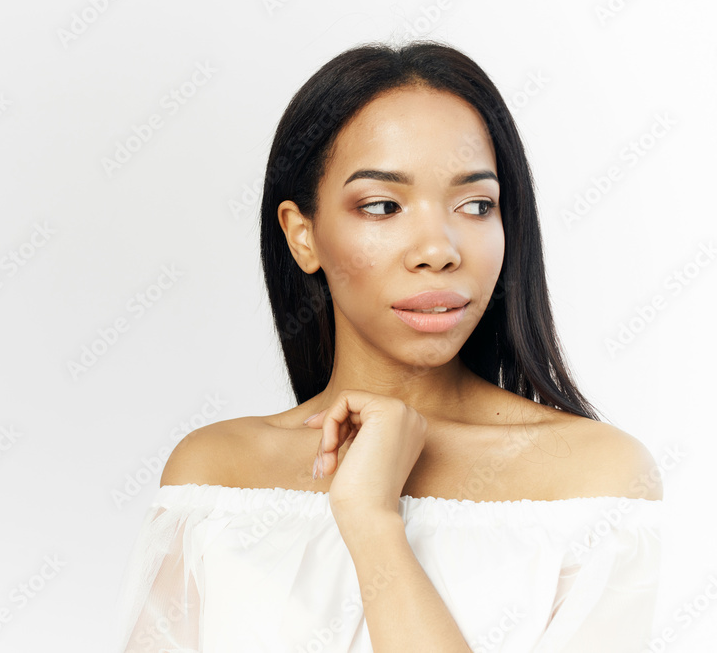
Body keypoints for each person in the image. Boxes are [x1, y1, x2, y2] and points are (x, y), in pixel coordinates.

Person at [113, 41, 663, 652]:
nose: (438, 249)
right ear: (303, 236)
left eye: (476, 205)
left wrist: (372, 521)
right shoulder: (217, 477)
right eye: (382, 206)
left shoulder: (595, 480)